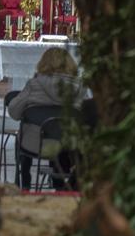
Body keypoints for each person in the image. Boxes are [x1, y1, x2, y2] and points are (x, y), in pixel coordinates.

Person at [8, 47, 82, 189]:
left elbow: (14, 112)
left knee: (25, 134)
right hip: (67, 144)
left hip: (34, 144)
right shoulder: (78, 88)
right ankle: (61, 185)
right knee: (60, 133)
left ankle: (24, 182)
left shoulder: (34, 85)